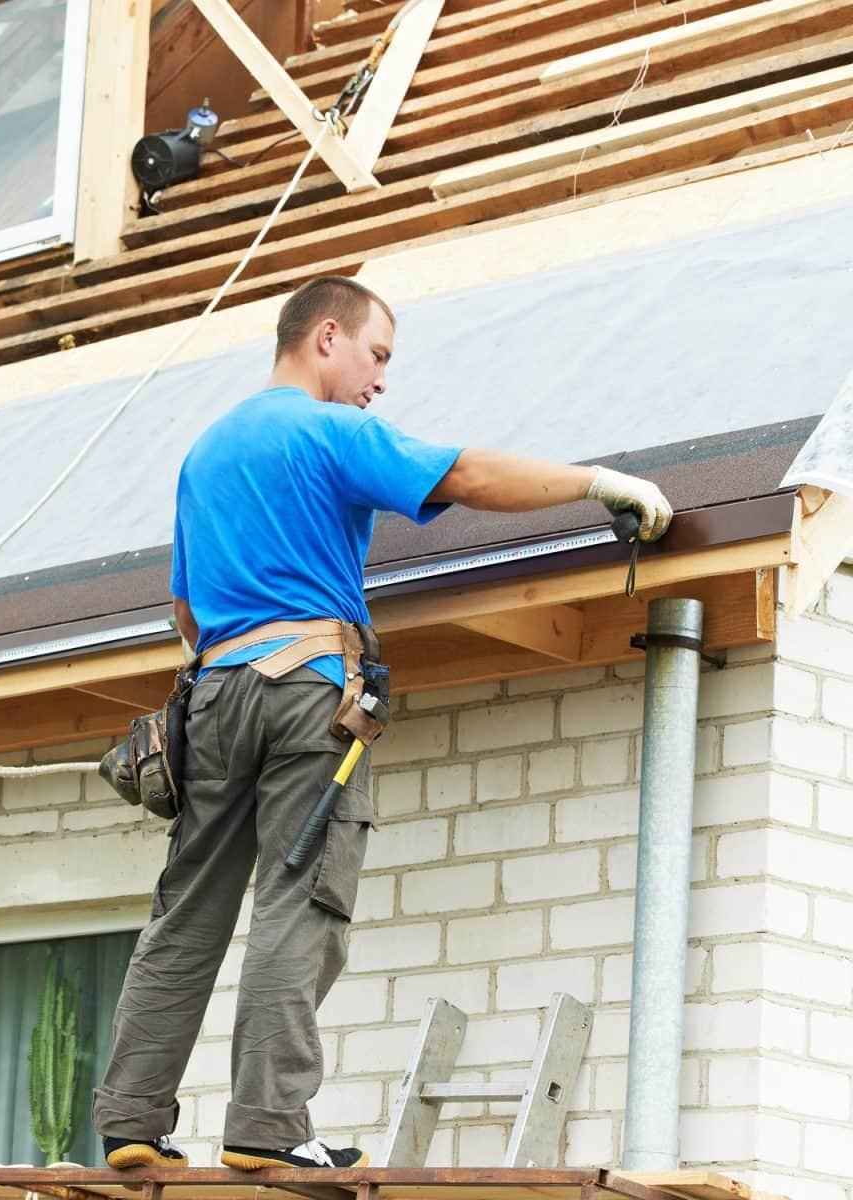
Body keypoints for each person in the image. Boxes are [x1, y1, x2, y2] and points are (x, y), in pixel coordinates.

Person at [94, 276, 671, 1172]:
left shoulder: (206, 451)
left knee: (188, 911)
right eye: (378, 354)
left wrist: (229, 671)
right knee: (302, 898)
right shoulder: (331, 431)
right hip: (308, 694)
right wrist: (601, 482)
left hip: (210, 694)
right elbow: (466, 474)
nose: (381, 380)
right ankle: (266, 1129)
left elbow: (182, 604)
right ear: (327, 336)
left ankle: (131, 1124)